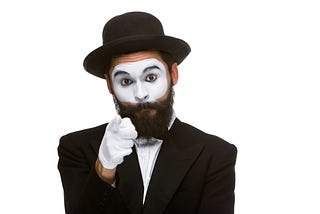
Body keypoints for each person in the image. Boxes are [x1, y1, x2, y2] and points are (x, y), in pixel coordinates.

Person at [58, 11, 237, 214]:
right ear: (110, 85)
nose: (140, 94)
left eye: (151, 77)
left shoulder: (215, 155)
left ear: (173, 74)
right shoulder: (76, 149)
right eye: (126, 81)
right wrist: (104, 168)